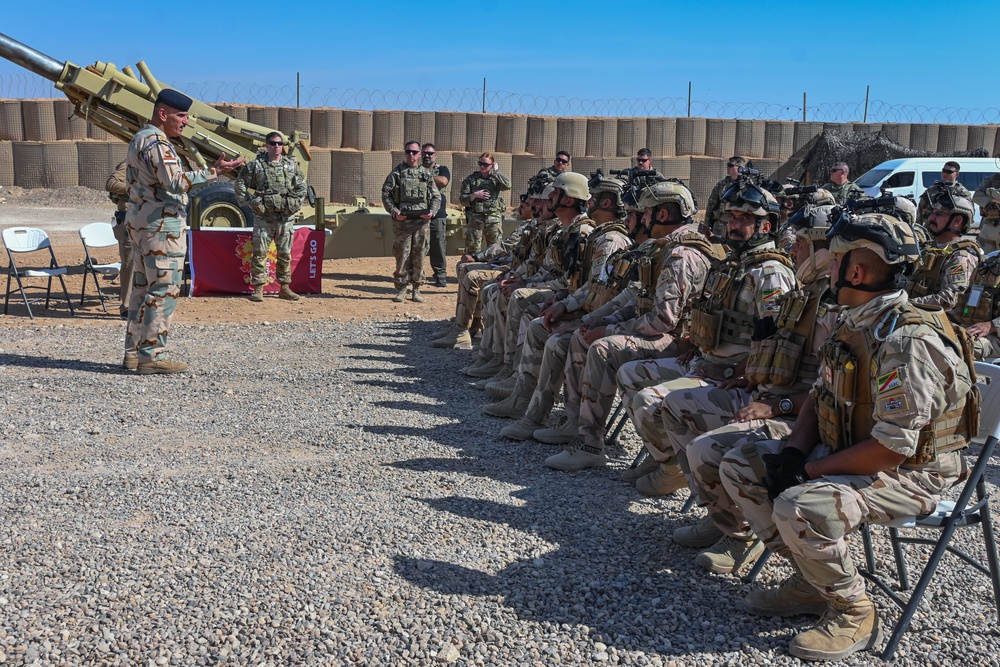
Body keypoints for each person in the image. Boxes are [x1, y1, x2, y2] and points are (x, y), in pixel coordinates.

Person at [719, 212, 975, 662]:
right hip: (856, 453)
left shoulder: (905, 341)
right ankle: (812, 580)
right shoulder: (853, 320)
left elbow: (894, 449)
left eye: (833, 260)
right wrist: (794, 451)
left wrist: (810, 470)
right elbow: (821, 399)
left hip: (915, 475)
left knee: (801, 503)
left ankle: (854, 609)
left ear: (855, 271)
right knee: (739, 464)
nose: (825, 267)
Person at [680, 204, 838, 575]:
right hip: (771, 396)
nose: (792, 249)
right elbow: (782, 351)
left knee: (708, 451)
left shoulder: (834, 308)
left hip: (799, 417)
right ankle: (721, 516)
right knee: (680, 409)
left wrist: (776, 405)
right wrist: (750, 375)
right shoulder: (808, 294)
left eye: (799, 243)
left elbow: (830, 391)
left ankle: (746, 538)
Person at [123, 89, 243, 375]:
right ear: (163, 114)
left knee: (142, 288)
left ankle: (133, 353)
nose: (186, 122)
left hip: (142, 224)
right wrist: (214, 172)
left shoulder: (140, 138)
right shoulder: (157, 142)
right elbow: (175, 182)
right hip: (161, 227)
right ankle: (151, 356)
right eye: (181, 115)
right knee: (164, 289)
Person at [234, 131, 308, 303]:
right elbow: (240, 183)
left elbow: (302, 186)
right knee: (260, 252)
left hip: (285, 217)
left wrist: (295, 203)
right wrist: (250, 202)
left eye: (279, 144)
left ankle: (284, 287)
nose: (277, 147)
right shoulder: (256, 166)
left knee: (285, 253)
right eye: (273, 143)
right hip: (264, 217)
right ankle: (258, 288)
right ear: (266, 145)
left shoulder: (291, 165)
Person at [381, 140, 441, 303]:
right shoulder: (397, 173)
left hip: (422, 222)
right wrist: (394, 212)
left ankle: (417, 289)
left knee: (420, 254)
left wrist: (432, 212)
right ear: (405, 153)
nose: (412, 155)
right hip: (403, 222)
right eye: (409, 152)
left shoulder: (426, 174)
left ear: (420, 154)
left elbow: (436, 196)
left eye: (415, 152)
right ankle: (401, 289)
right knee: (402, 255)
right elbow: (386, 194)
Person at [907, 191, 981, 310]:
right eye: (932, 213)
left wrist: (906, 304)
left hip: (936, 321)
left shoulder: (961, 256)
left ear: (957, 221)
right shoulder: (928, 247)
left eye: (939, 214)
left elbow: (948, 299)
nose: (931, 218)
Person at [459, 152, 511, 253]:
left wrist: (496, 172)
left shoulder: (495, 179)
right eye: (480, 163)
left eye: (486, 164)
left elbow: (508, 185)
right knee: (472, 248)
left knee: (495, 249)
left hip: (493, 219)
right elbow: (462, 200)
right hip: (476, 219)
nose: (482, 166)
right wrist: (475, 195)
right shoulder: (471, 179)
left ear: (492, 165)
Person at [105, 160, 133, 320]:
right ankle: (127, 307)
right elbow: (111, 183)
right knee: (130, 263)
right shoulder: (131, 163)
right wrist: (137, 189)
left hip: (149, 217)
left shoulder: (156, 163)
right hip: (130, 215)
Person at [422, 143, 451, 287]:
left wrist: (423, 177)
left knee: (438, 246)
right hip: (418, 213)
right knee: (418, 246)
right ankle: (416, 276)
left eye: (430, 153)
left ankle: (440, 276)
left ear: (435, 155)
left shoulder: (441, 169)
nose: (427, 156)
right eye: (425, 153)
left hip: (437, 214)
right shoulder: (416, 169)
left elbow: (443, 181)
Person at [915, 161, 971, 225]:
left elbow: (968, 214)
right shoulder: (931, 190)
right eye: (944, 171)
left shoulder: (961, 192)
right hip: (930, 228)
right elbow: (920, 210)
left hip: (949, 230)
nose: (945, 174)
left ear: (957, 174)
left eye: (949, 172)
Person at [704, 157, 745, 238]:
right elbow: (711, 204)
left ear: (740, 168)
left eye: (730, 165)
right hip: (721, 225)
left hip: (740, 225)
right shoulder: (722, 184)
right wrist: (707, 225)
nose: (727, 167)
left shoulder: (748, 185)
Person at [973, 172, 1000, 253]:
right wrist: (994, 199)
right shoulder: (991, 179)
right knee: (983, 257)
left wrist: (990, 193)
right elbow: (976, 196)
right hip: (989, 224)